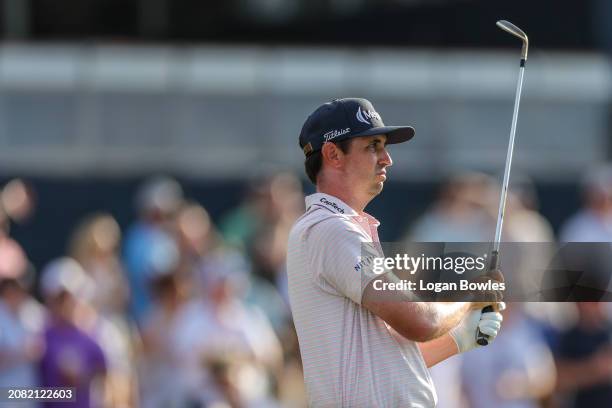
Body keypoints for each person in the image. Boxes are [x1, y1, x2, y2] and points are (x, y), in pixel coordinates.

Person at [286, 97, 504, 407]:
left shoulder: (337, 229)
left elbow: (386, 365)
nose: (387, 159)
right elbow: (422, 322)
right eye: (372, 146)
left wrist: (460, 338)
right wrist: (470, 296)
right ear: (333, 154)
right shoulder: (330, 229)